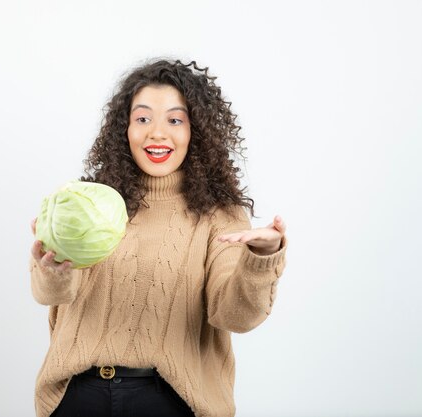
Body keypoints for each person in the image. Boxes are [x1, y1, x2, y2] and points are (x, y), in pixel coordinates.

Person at [29, 59, 288, 417]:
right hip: (78, 395)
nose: (157, 133)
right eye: (143, 118)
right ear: (125, 129)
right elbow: (50, 295)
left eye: (175, 120)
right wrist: (53, 266)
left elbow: (235, 317)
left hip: (169, 400)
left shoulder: (219, 216)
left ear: (196, 131)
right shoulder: (92, 202)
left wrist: (261, 259)